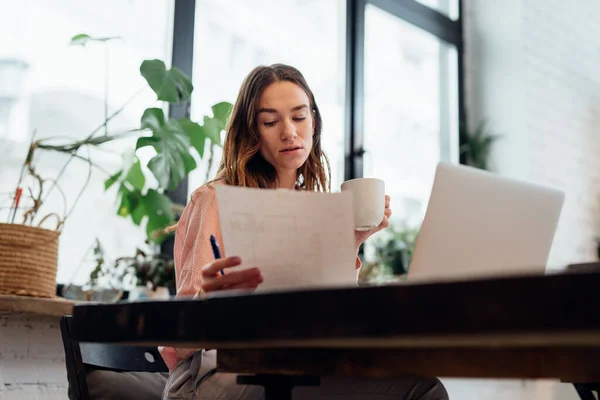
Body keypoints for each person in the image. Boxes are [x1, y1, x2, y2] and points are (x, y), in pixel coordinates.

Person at [159, 64, 448, 400]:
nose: (289, 132)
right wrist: (210, 301)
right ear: (252, 132)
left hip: (292, 366)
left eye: (299, 117)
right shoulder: (215, 200)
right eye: (270, 121)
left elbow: (328, 322)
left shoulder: (310, 208)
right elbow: (180, 343)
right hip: (214, 376)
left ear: (314, 122)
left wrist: (350, 242)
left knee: (423, 387)